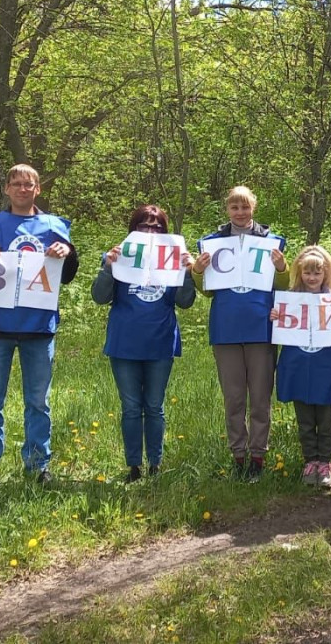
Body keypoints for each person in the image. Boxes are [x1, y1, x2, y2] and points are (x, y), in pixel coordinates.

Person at [0, 164, 79, 496]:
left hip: (38, 325)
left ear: (38, 189)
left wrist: (66, 253)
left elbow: (68, 273)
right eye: (16, 184)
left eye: (29, 184)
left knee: (38, 402)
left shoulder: (54, 225)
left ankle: (38, 466)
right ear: (7, 189)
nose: (22, 189)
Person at [91, 205, 195, 482]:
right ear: (133, 228)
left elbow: (185, 302)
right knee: (131, 407)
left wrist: (187, 272)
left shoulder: (173, 259)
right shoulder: (117, 256)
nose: (150, 231)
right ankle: (134, 467)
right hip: (124, 342)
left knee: (154, 406)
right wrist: (108, 267)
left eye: (157, 227)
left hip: (160, 342)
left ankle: (156, 465)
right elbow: (100, 297)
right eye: (144, 226)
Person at [191, 186, 288, 482]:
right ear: (227, 209)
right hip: (226, 329)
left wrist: (282, 267)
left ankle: (258, 457)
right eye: (235, 207)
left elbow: (283, 287)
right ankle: (238, 456)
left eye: (245, 207)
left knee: (260, 397)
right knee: (233, 398)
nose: (241, 212)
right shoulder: (212, 243)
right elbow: (206, 291)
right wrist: (197, 271)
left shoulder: (271, 242)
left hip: (261, 328)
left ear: (254, 208)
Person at [271, 245, 331, 490]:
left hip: (327, 368)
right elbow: (280, 333)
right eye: (307, 273)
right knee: (305, 420)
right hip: (298, 367)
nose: (312, 278)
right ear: (300, 273)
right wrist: (276, 318)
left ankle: (325, 463)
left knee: (326, 420)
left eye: (317, 273)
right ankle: (310, 461)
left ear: (325, 274)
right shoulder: (289, 299)